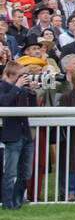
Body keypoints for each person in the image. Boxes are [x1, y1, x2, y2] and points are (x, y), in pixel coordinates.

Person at [0, 61, 37, 209]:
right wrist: (17, 87)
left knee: (26, 173)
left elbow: (32, 109)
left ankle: (17, 202)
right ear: (10, 75)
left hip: (26, 134)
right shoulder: (3, 87)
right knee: (10, 174)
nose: (23, 78)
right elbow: (3, 102)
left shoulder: (20, 88)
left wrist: (32, 92)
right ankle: (8, 205)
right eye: (20, 75)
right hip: (12, 135)